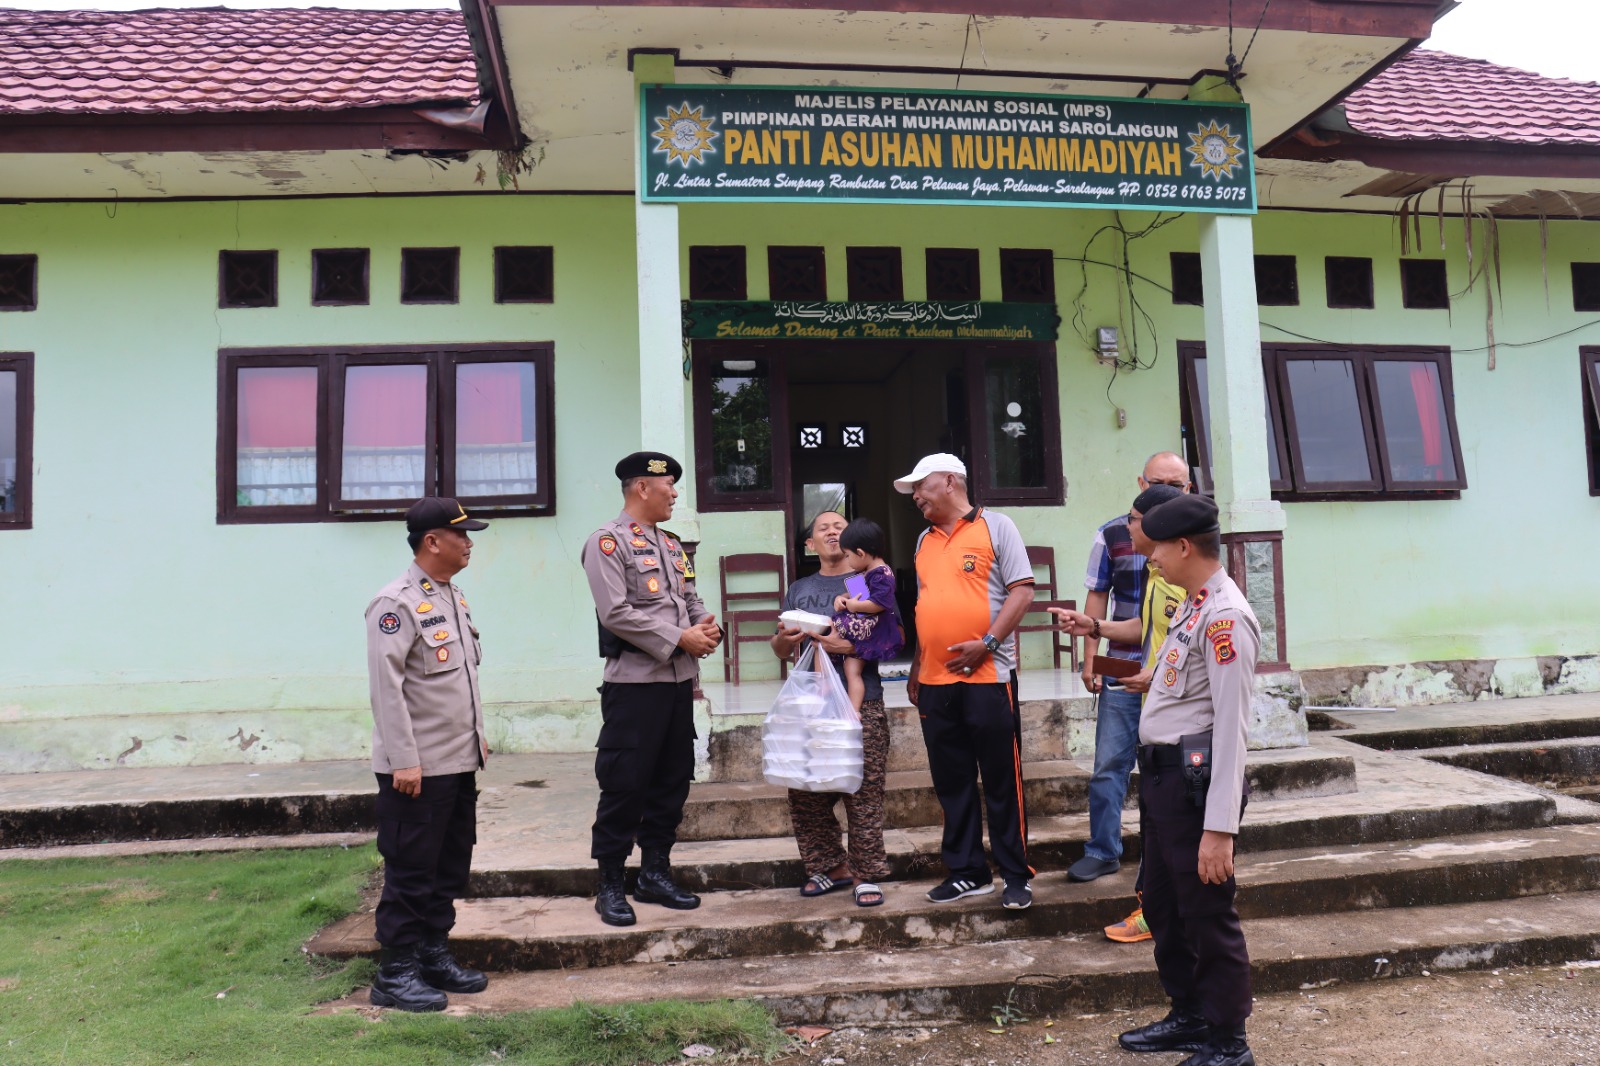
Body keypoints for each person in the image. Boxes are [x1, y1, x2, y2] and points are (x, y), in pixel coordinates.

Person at [1112, 493, 1260, 1066]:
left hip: (1196, 785)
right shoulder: (1193, 604)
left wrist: (1219, 829)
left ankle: (1228, 1041)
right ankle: (1190, 1015)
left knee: (1206, 910)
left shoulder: (1225, 616)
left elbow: (1231, 728)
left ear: (1182, 545)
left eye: (1157, 549)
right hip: (1164, 781)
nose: (1151, 559)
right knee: (1164, 905)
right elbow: (1189, 687)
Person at [581, 451, 722, 927]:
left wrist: (703, 623)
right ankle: (611, 884)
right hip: (635, 685)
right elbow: (615, 612)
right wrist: (679, 637)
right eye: (669, 487)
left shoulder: (671, 543)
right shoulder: (608, 542)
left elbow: (688, 595)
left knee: (671, 780)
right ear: (643, 488)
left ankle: (655, 873)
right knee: (625, 784)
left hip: (678, 683)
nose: (675, 494)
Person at [364, 496, 492, 1012]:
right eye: (460, 534)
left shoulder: (451, 597)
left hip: (457, 761)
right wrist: (404, 760)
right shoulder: (394, 604)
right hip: (416, 768)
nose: (469, 542)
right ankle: (395, 973)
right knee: (411, 868)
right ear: (431, 541)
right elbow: (386, 689)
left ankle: (434, 954)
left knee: (448, 865)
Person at [897, 453, 1036, 911]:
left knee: (1001, 779)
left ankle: (1016, 875)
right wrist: (918, 666)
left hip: (989, 677)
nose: (915, 495)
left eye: (921, 485)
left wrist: (989, 643)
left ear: (951, 481)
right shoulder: (923, 540)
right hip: (936, 683)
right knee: (951, 781)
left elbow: (1022, 589)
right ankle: (967, 872)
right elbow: (926, 607)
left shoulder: (997, 527)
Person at [1051, 483, 1185, 944]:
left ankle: (1161, 903)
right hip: (1139, 683)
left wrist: (1158, 676)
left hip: (1174, 705)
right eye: (1129, 517)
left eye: (1134, 520)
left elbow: (1193, 647)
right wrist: (1093, 629)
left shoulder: (1189, 578)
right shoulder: (1152, 566)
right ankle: (1119, 865)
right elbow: (1142, 626)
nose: (1127, 527)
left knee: (1164, 796)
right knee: (1114, 767)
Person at [1071, 451, 1191, 885]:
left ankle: (1165, 858)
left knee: (1169, 770)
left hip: (1175, 675)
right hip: (1123, 668)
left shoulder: (1192, 541)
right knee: (1109, 764)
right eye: (1158, 483)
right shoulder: (1113, 534)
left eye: (1176, 487)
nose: (1167, 492)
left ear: (1188, 489)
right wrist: (1091, 662)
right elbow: (1098, 596)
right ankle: (1103, 850)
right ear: (1141, 483)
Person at [771, 511, 892, 908]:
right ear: (811, 545)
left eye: (838, 526)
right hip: (810, 705)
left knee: (863, 791)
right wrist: (785, 641)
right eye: (822, 528)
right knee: (805, 792)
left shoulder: (862, 580)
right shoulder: (799, 588)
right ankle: (830, 867)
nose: (832, 532)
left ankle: (866, 873)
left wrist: (849, 647)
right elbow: (779, 647)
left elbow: (895, 635)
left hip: (862, 700)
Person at [828, 517, 904, 712]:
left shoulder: (882, 574)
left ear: (860, 553)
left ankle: (843, 703)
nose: (846, 560)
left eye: (847, 555)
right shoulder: (868, 572)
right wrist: (842, 598)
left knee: (827, 630)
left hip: (873, 631)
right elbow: (858, 593)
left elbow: (880, 603)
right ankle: (853, 712)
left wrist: (853, 606)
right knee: (851, 670)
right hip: (866, 628)